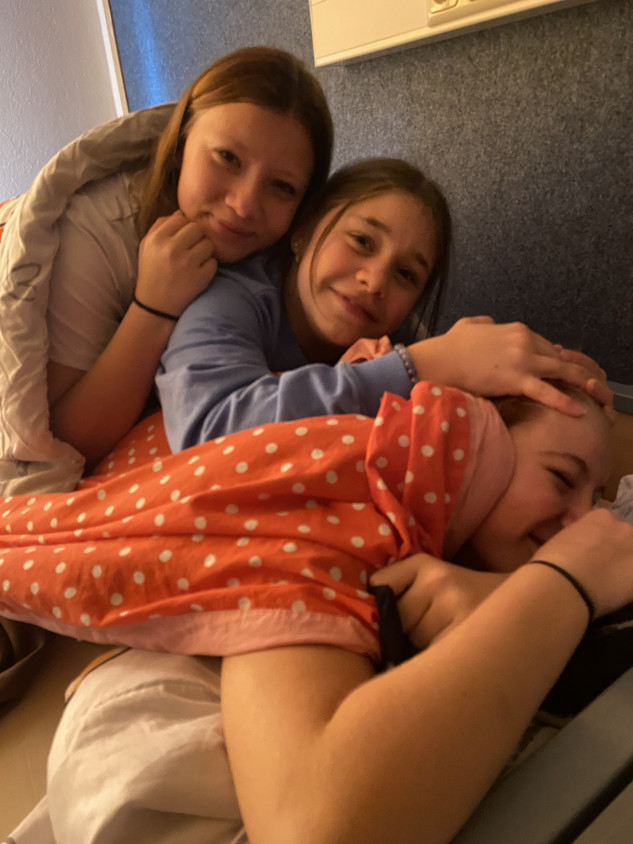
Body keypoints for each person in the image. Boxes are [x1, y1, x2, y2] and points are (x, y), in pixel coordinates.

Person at [2, 378, 632, 844]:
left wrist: (494, 592)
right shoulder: (347, 506)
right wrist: (564, 583)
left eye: (598, 497)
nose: (585, 520)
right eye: (562, 478)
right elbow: (314, 826)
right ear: (472, 445)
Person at [0, 45, 333, 490]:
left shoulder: (284, 249)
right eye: (227, 158)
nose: (244, 204)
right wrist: (153, 308)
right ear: (178, 146)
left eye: (282, 187)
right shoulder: (98, 230)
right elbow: (64, 438)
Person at [156, 157, 612, 455]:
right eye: (361, 241)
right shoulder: (229, 297)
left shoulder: (390, 335)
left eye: (406, 275)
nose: (375, 281)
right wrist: (422, 365)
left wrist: (551, 381)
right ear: (304, 231)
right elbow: (209, 429)